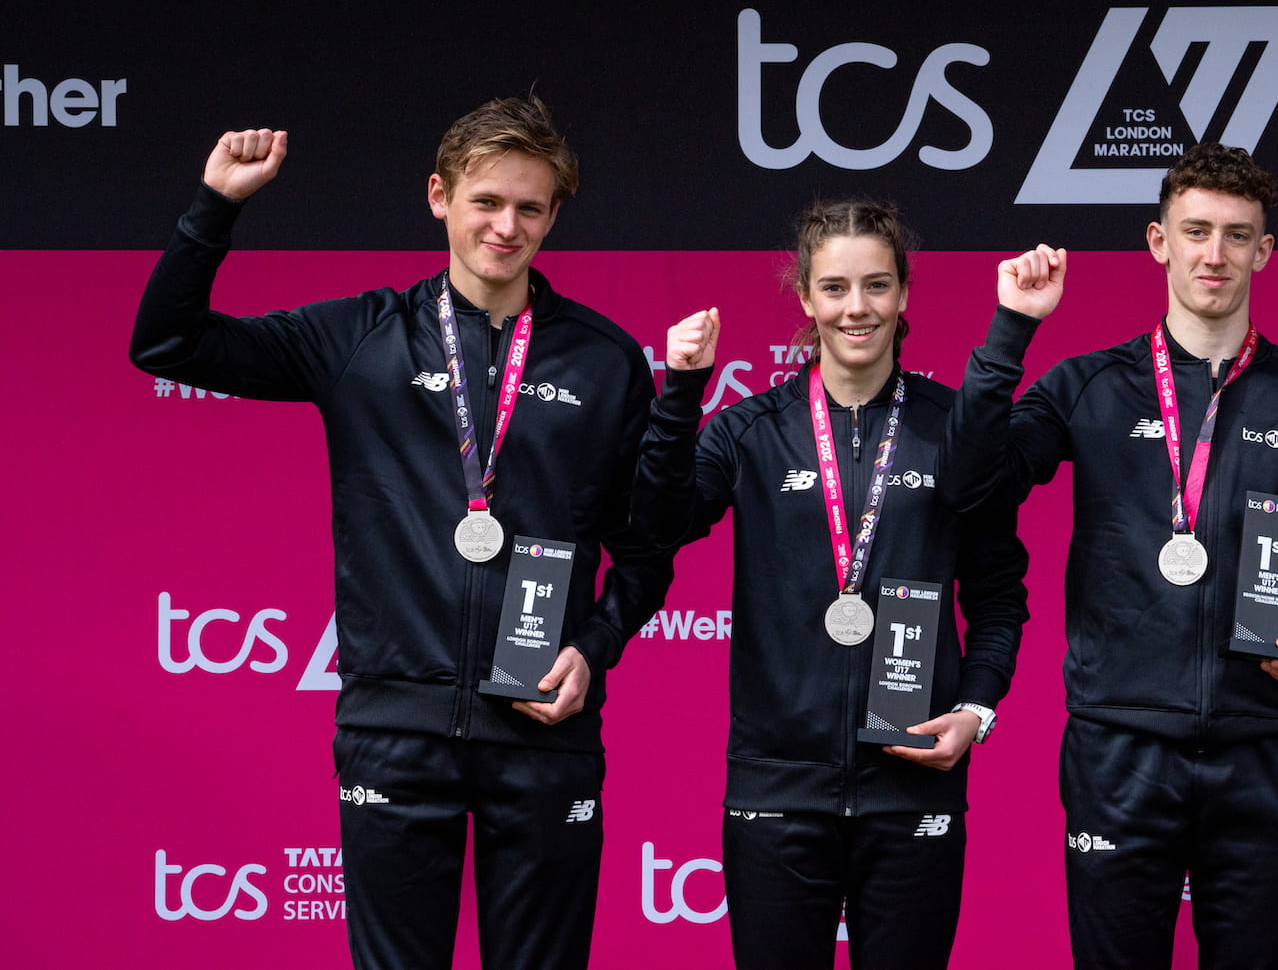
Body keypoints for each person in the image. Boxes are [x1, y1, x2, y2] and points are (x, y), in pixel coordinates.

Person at [129, 97, 667, 970]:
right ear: (438, 197)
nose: (506, 225)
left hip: (544, 734)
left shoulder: (605, 361)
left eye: (530, 208)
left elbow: (645, 552)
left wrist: (596, 647)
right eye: (486, 200)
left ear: (554, 216)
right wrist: (214, 208)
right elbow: (165, 343)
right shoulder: (360, 335)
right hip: (395, 730)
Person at [946, 142, 1278, 969]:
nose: (1215, 254)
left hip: (1264, 747)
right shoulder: (1087, 384)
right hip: (1120, 749)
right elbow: (975, 486)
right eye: (1196, 231)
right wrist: (1012, 328)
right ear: (1158, 240)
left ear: (1264, 251)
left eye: (1237, 235)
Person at [643, 200, 1029, 970]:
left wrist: (976, 709)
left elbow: (997, 593)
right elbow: (660, 523)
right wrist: (681, 393)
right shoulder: (749, 429)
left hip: (913, 780)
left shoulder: (955, 429)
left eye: (877, 285)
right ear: (807, 298)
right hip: (776, 790)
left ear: (905, 294)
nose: (858, 308)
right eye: (837, 287)